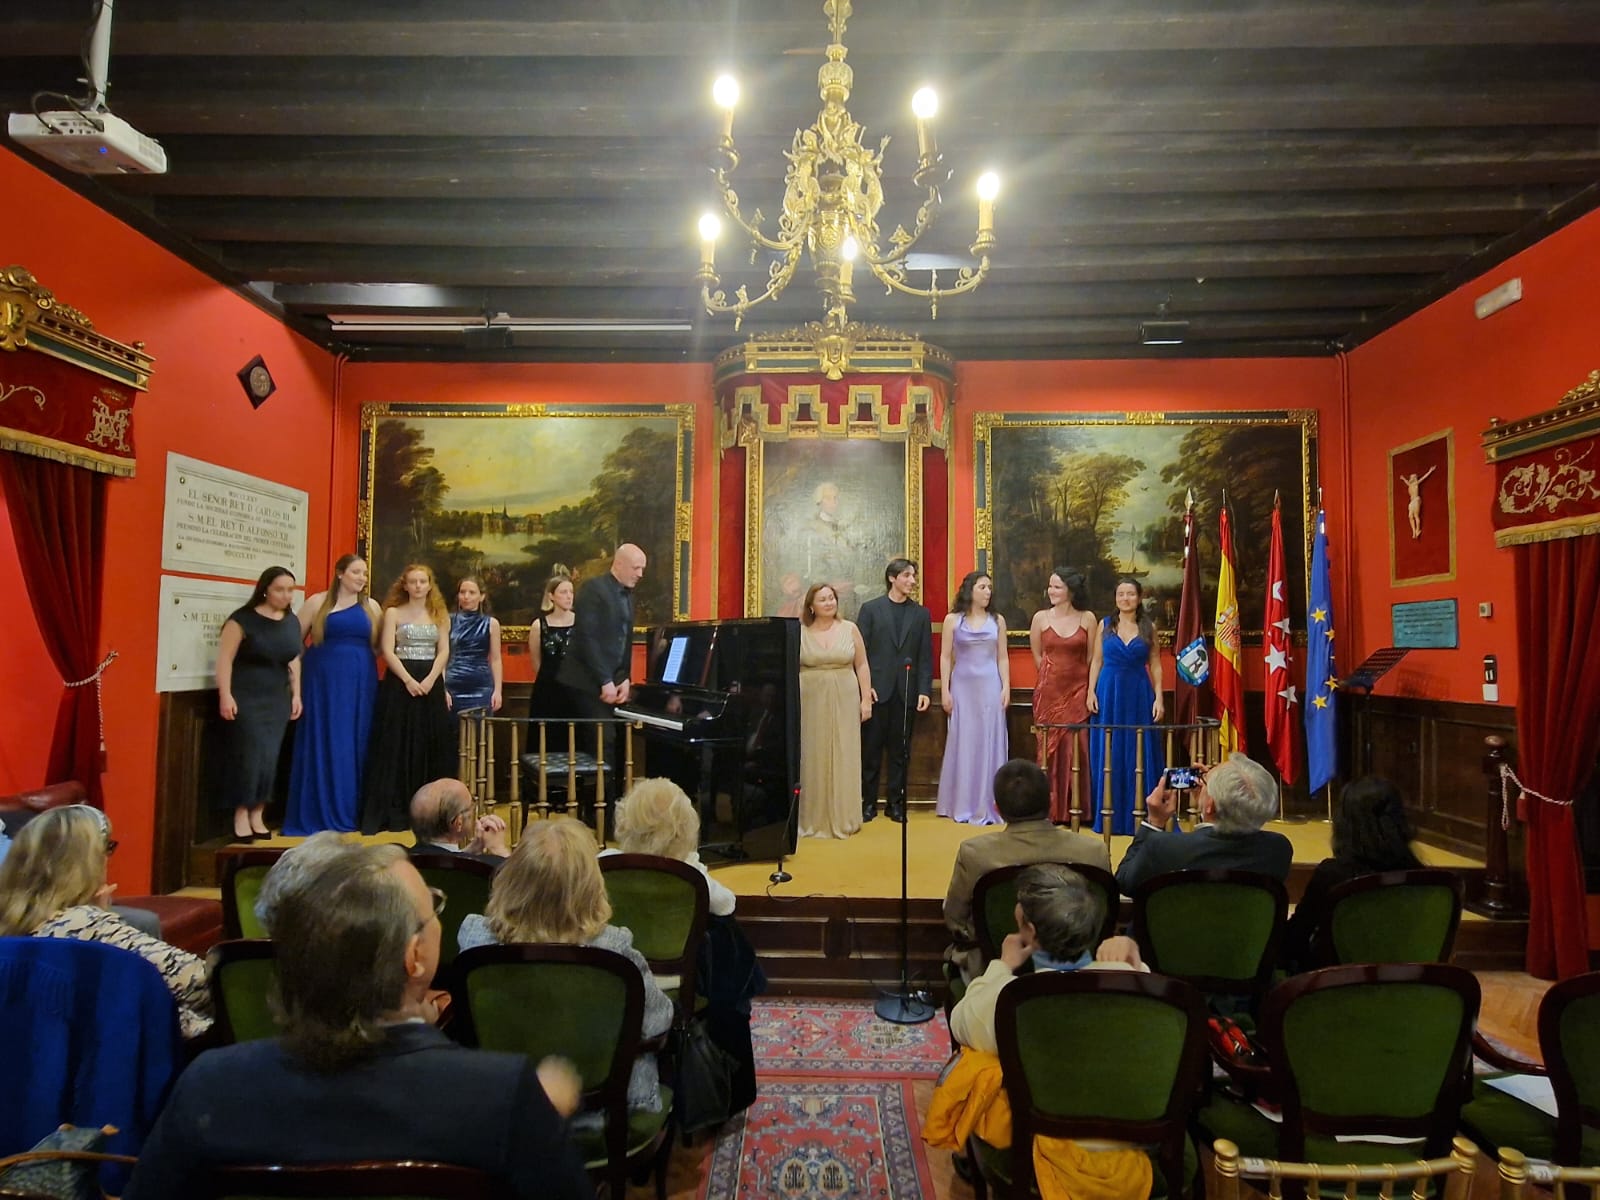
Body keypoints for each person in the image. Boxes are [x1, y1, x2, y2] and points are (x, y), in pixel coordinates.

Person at [123, 843, 589, 1200]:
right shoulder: (504, 1095)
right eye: (432, 906)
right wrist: (541, 1119)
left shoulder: (210, 1085)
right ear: (415, 956)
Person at [458, 817, 673, 1117]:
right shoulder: (615, 949)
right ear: (591, 883)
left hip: (501, 1110)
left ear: (513, 877)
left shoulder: (474, 938)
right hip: (603, 1115)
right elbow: (657, 1022)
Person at [0, 805, 213, 1039]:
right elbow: (200, 984)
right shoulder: (87, 923)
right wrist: (102, 916)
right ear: (84, 863)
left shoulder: (11, 920)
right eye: (107, 848)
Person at [944, 759, 1113, 984]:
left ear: (996, 808)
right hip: (1081, 972)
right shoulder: (1094, 852)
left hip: (992, 972)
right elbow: (1104, 916)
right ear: (1052, 802)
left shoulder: (974, 854)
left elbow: (956, 919)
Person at [949, 864, 1147, 1055]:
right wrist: (1130, 954)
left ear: (1031, 932)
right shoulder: (1132, 984)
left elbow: (959, 1022)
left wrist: (1002, 966)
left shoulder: (1004, 1000)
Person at [1280, 776, 1423, 971]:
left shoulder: (1332, 876)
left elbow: (1293, 942)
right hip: (1405, 989)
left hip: (1336, 991)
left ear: (1344, 823)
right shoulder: (1424, 881)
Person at [285, 553, 382, 835]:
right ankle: (319, 812)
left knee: (356, 743)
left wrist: (357, 661)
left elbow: (378, 646)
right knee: (325, 740)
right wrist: (305, 677)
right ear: (340, 573)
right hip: (322, 683)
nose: (362, 578)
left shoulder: (372, 606)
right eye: (356, 572)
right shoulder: (317, 602)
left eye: (364, 573)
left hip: (360, 683)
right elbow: (294, 643)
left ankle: (352, 811)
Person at [361, 564, 457, 835]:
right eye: (412, 581)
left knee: (430, 743)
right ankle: (396, 809)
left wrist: (429, 680)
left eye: (422, 581)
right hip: (399, 683)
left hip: (430, 683)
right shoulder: (392, 613)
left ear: (429, 585)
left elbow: (443, 651)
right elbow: (388, 652)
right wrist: (408, 680)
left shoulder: (439, 614)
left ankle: (432, 812)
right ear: (404, 585)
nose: (417, 586)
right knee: (396, 744)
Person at [1114, 753, 1292, 895]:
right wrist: (1206, 804)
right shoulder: (1278, 849)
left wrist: (1155, 821)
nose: (1202, 779)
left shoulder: (1163, 847)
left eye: (1206, 780)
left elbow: (1124, 882)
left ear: (1211, 805)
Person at [215, 565, 303, 842]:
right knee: (250, 757)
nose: (286, 595)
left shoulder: (291, 621)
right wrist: (225, 694)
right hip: (247, 695)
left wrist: (296, 694)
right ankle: (241, 813)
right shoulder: (242, 620)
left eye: (290, 590)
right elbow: (224, 659)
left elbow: (294, 659)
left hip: (277, 697)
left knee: (269, 758)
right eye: (280, 589)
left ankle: (259, 813)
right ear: (265, 589)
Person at [554, 544, 646, 788]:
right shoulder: (594, 589)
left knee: (616, 744)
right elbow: (588, 638)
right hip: (585, 682)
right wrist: (605, 680)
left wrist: (625, 677)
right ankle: (600, 812)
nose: (640, 574)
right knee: (602, 743)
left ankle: (614, 805)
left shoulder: (629, 594)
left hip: (610, 682)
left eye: (642, 569)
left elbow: (624, 640)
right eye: (636, 568)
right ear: (618, 564)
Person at [1086, 576, 1166, 836]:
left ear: (1139, 598)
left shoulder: (1148, 626)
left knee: (1138, 749)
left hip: (1139, 694)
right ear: (1115, 598)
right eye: (1121, 594)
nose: (1125, 599)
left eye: (1130, 594)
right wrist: (1090, 691)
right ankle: (1109, 815)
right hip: (1108, 692)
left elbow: (1155, 663)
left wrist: (1159, 697)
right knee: (1109, 751)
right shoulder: (1105, 625)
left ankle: (1141, 816)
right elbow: (1096, 661)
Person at [857, 557, 933, 823]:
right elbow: (860, 654)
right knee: (871, 751)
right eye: (907, 576)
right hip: (878, 691)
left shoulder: (921, 614)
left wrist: (924, 689)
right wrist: (865, 690)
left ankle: (896, 804)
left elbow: (925, 655)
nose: (912, 581)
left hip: (907, 691)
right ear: (892, 578)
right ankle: (867, 804)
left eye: (913, 576)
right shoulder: (870, 609)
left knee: (901, 752)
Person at [797, 583, 873, 839]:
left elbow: (861, 665)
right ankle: (812, 818)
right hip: (811, 700)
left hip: (845, 697)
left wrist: (866, 700)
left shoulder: (850, 629)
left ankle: (845, 817)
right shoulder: (801, 632)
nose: (829, 603)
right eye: (823, 599)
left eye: (832, 598)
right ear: (811, 606)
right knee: (813, 756)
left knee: (844, 753)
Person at [936, 571, 1011, 825]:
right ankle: (962, 803)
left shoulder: (997, 620)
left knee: (990, 740)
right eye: (982, 587)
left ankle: (989, 803)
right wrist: (944, 690)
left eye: (990, 587)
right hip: (962, 687)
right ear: (970, 590)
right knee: (963, 740)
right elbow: (945, 657)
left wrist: (1006, 687)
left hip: (990, 684)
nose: (988, 591)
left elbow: (1002, 656)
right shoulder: (952, 620)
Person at [607, 777, 734, 915]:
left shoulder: (607, 864)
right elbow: (726, 905)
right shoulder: (691, 872)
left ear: (624, 822)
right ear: (684, 831)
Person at [1029, 567, 1096, 825]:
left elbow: (1091, 658)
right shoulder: (1040, 618)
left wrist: (1085, 688)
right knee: (1049, 752)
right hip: (1048, 694)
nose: (1051, 591)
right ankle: (1050, 810)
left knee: (1076, 750)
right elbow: (1037, 655)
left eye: (1057, 586)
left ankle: (1077, 809)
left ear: (1070, 589)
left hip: (1079, 691)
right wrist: (1049, 678)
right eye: (1050, 586)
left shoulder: (1087, 618)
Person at [409, 777, 510, 865]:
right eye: (471, 805)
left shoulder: (400, 861)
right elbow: (520, 883)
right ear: (458, 823)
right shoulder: (485, 867)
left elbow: (444, 857)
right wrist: (499, 850)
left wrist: (467, 852)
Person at [443, 576, 502, 716]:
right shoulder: (447, 620)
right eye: (462, 592)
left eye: (471, 592)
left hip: (481, 686)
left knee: (479, 733)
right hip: (453, 685)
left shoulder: (491, 623)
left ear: (482, 596)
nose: (466, 596)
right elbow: (442, 657)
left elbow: (496, 659)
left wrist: (498, 691)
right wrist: (442, 689)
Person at [527, 570, 576, 723]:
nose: (569, 596)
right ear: (551, 596)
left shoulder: (581, 623)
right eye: (563, 592)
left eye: (571, 592)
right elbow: (536, 663)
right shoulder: (539, 626)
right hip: (547, 690)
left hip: (575, 690)